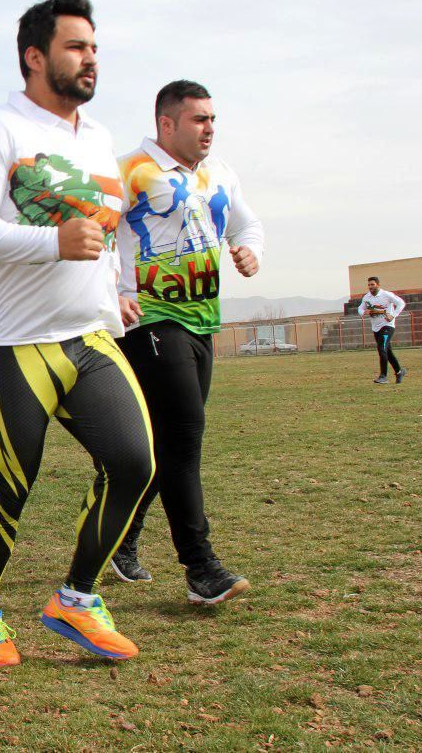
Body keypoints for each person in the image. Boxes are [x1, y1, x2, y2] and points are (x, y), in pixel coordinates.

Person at [0, 0, 155, 666]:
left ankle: (77, 597)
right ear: (36, 57)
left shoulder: (99, 141)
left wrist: (120, 291)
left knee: (135, 462)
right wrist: (51, 243)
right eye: (75, 46)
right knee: (11, 487)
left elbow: (110, 229)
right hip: (13, 342)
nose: (90, 58)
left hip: (89, 335)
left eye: (94, 46)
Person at [111, 79, 264, 605]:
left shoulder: (217, 174)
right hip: (150, 321)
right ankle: (201, 568)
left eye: (213, 119)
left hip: (202, 322)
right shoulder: (128, 170)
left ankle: (122, 539)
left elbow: (247, 225)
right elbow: (93, 233)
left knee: (159, 448)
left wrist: (247, 250)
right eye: (199, 119)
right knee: (185, 435)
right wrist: (116, 290)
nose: (210, 129)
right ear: (166, 123)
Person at [358, 277, 407, 384]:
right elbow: (360, 308)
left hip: (387, 326)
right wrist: (363, 312)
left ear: (378, 285)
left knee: (381, 349)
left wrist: (393, 315)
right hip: (376, 328)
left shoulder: (386, 295)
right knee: (387, 352)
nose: (370, 287)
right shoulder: (367, 297)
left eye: (372, 284)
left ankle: (383, 376)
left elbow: (401, 303)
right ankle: (399, 372)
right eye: (369, 285)